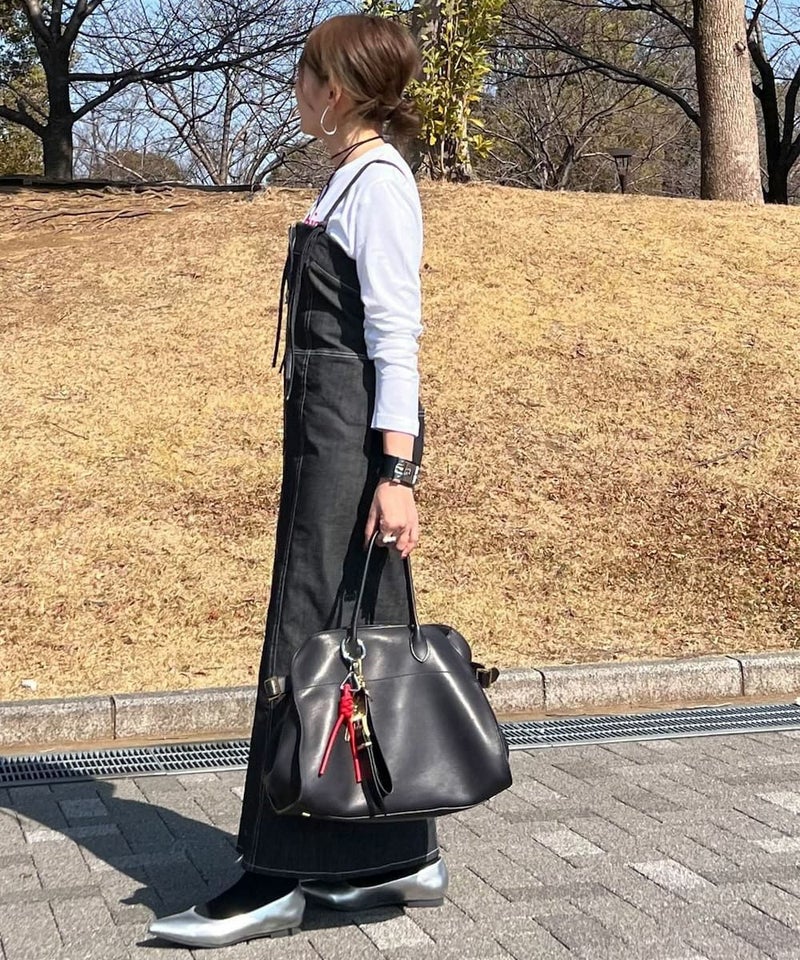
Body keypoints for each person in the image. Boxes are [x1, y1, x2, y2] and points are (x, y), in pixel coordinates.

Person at [148, 13, 447, 949]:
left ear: (338, 90)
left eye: (305, 74)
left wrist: (396, 471)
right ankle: (393, 853)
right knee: (362, 629)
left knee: (308, 631)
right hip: (326, 435)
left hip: (354, 445)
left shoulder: (380, 185)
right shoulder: (348, 177)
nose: (296, 88)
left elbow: (397, 339)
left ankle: (276, 874)